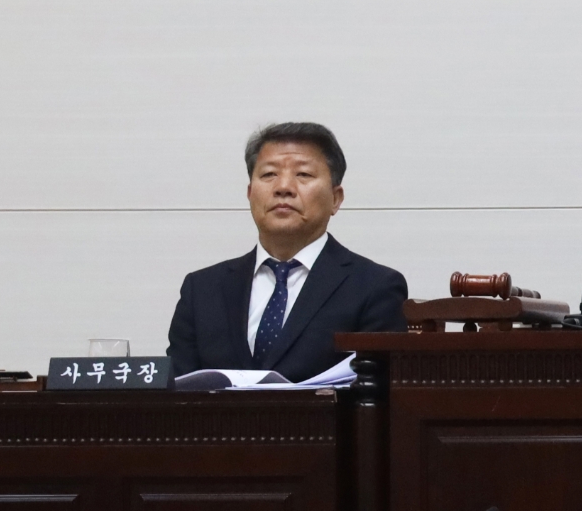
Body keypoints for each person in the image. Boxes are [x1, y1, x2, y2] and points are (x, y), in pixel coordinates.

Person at [167, 123, 408, 383]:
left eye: (303, 175)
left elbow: (381, 398)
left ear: (336, 199)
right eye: (269, 174)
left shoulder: (375, 287)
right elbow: (176, 391)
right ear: (250, 194)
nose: (283, 187)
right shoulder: (201, 290)